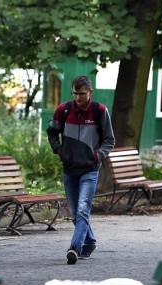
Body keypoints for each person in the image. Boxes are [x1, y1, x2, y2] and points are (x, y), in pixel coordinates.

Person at [46, 75, 115, 264]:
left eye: (82, 94)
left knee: (83, 209)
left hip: (90, 169)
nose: (78, 98)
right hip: (69, 169)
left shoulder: (99, 111)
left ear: (90, 92)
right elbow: (51, 132)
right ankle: (90, 241)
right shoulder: (63, 110)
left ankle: (74, 248)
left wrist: (97, 155)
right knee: (76, 212)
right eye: (75, 94)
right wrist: (59, 150)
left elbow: (110, 140)